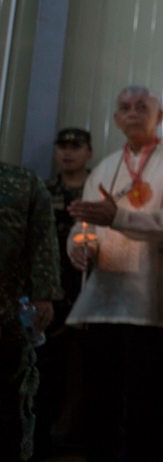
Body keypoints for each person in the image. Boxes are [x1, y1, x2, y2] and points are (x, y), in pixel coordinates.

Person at [65, 86, 163, 462]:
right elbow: (82, 225)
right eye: (125, 108)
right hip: (103, 301)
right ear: (116, 119)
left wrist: (117, 217)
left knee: (147, 408)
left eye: (142, 107)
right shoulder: (104, 166)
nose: (132, 113)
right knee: (100, 402)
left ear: (159, 116)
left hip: (151, 305)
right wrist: (79, 246)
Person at [34, 128, 92, 457]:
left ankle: (81, 436)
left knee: (89, 372)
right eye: (63, 146)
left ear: (88, 152)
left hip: (87, 291)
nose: (68, 153)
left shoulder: (97, 192)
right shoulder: (43, 190)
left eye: (76, 146)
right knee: (49, 371)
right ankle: (43, 440)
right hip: (52, 293)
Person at [0, 162, 60, 462]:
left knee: (10, 410)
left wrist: (44, 294)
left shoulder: (22, 183)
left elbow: (42, 242)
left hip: (8, 320)